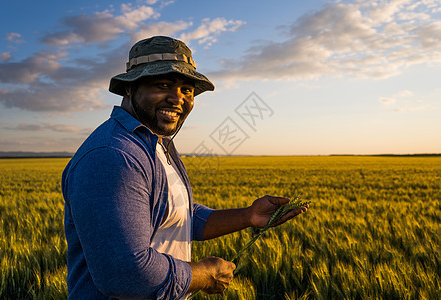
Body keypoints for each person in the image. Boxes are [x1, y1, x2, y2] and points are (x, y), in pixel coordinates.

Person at [61, 36, 309, 299]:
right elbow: (124, 273)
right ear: (129, 89)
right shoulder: (113, 155)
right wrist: (203, 274)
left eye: (187, 90)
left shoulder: (156, 143)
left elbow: (176, 216)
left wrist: (248, 216)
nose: (177, 99)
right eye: (163, 85)